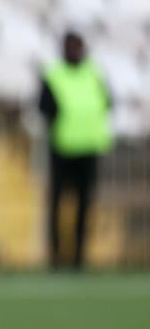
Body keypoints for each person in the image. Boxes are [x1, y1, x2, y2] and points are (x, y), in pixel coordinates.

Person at [37, 31, 112, 270]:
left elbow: (108, 102)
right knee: (57, 205)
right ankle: (56, 257)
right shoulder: (54, 74)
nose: (73, 51)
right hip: (62, 148)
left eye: (76, 47)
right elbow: (44, 107)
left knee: (83, 206)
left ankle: (79, 258)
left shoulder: (94, 73)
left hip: (88, 149)